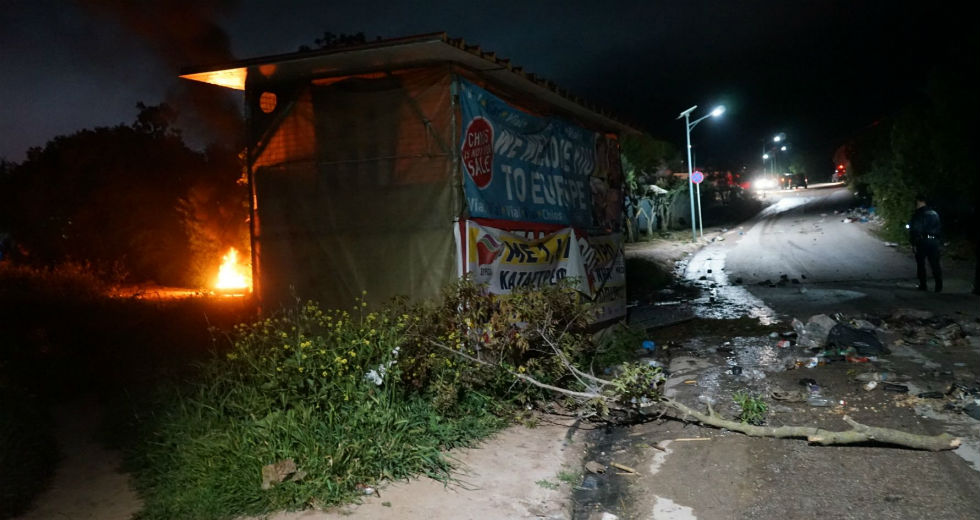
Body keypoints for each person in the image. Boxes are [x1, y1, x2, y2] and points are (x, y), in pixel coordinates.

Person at [908, 194, 942, 292]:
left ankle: (923, 285)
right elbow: (939, 228)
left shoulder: (918, 214)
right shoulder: (935, 213)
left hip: (922, 241)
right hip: (934, 241)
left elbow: (915, 229)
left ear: (919, 201)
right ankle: (938, 286)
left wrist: (913, 243)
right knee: (935, 263)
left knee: (921, 263)